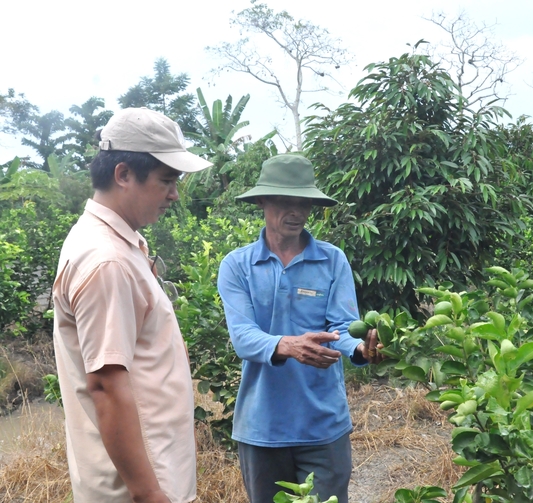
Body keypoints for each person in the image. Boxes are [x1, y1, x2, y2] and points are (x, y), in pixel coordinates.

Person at [52, 107, 212, 503]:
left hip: (149, 474)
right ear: (123, 175)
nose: (175, 194)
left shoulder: (117, 244)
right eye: (167, 181)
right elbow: (106, 385)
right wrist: (150, 493)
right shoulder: (108, 261)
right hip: (137, 487)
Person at [217, 153, 383, 503]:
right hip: (262, 427)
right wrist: (289, 346)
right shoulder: (237, 266)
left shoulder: (332, 259)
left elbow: (341, 326)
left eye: (303, 202)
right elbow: (244, 337)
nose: (296, 212)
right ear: (262, 201)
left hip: (323, 425)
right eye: (284, 201)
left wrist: (360, 349)